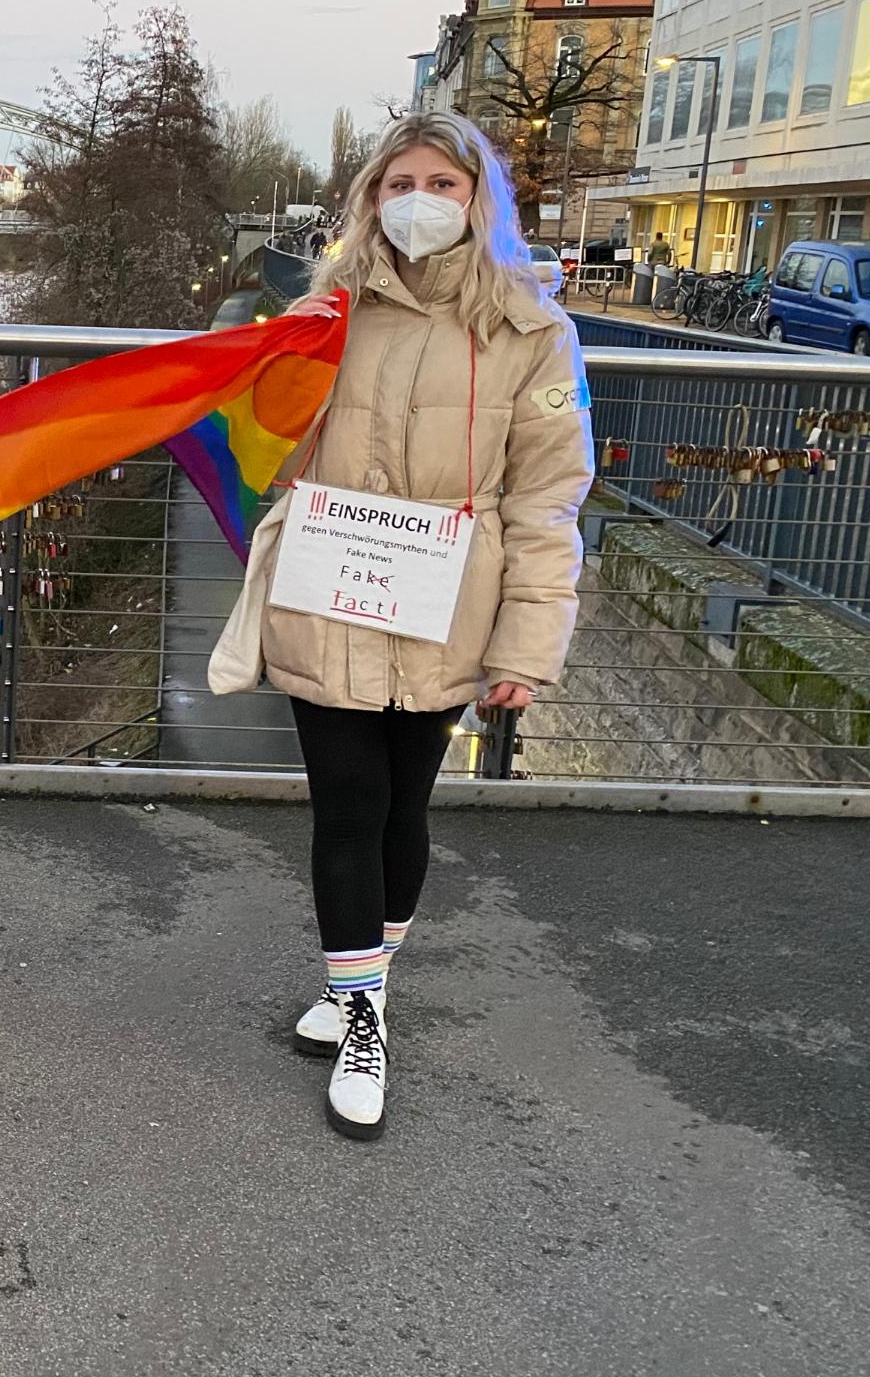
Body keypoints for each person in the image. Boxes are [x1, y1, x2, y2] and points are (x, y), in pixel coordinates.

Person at [215, 111, 591, 1142]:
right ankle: (363, 1014)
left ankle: (357, 987)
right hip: (332, 587)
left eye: (441, 182)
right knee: (347, 802)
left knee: (401, 809)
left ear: (479, 200)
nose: (416, 200)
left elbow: (547, 498)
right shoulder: (321, 313)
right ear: (368, 198)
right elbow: (265, 447)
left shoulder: (531, 329)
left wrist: (526, 642)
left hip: (446, 604)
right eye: (396, 183)